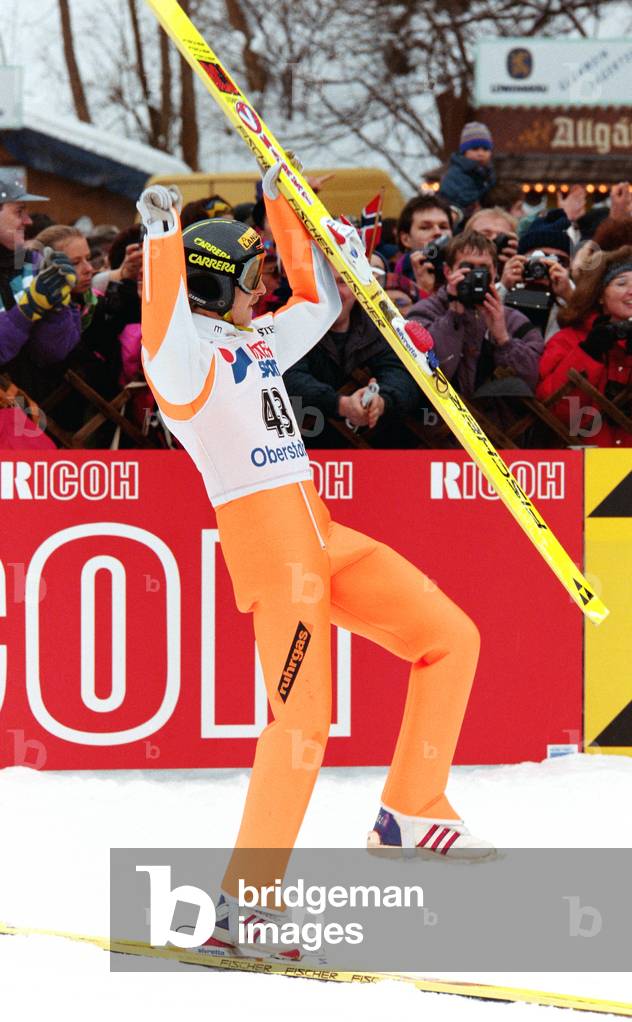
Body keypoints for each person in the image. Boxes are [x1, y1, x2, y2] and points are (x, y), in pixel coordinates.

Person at [137, 165, 491, 955]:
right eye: (252, 273)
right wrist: (162, 238)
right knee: (300, 722)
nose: (264, 287)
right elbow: (161, 325)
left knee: (451, 637)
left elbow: (322, 302)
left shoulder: (254, 340)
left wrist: (284, 206)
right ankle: (245, 908)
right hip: (270, 545)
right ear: (219, 280)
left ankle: (412, 806)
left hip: (320, 530)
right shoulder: (182, 361)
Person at [283, 269, 421, 447]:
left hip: (374, 455)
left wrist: (381, 401)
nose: (335, 291)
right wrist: (340, 404)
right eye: (326, 283)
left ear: (356, 289)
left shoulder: (379, 329)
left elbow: (403, 376)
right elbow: (289, 378)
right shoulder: (289, 326)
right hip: (305, 451)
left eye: (342, 282)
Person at [407, 232, 544, 399]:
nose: (476, 276)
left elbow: (532, 381)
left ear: (495, 272)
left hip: (494, 422)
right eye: (468, 267)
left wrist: (503, 339)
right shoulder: (423, 312)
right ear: (448, 271)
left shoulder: (516, 321)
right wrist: (453, 316)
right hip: (439, 417)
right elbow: (430, 372)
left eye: (483, 269)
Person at [537, 245, 632, 447]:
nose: (631, 292)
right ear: (599, 295)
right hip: (581, 463)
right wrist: (589, 353)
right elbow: (554, 410)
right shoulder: (567, 341)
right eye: (621, 283)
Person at [0, 178, 79, 381]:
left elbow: (53, 353)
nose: (28, 221)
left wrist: (57, 307)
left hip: (31, 403)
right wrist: (27, 310)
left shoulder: (33, 263)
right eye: (19, 212)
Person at [394, 194, 454, 296]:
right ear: (406, 239)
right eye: (425, 227)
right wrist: (424, 291)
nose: (437, 232)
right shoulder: (393, 285)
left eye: (443, 227)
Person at [439, 122, 496, 214]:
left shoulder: (488, 173)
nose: (481, 153)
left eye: (485, 149)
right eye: (475, 149)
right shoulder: (456, 174)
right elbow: (461, 199)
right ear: (464, 151)